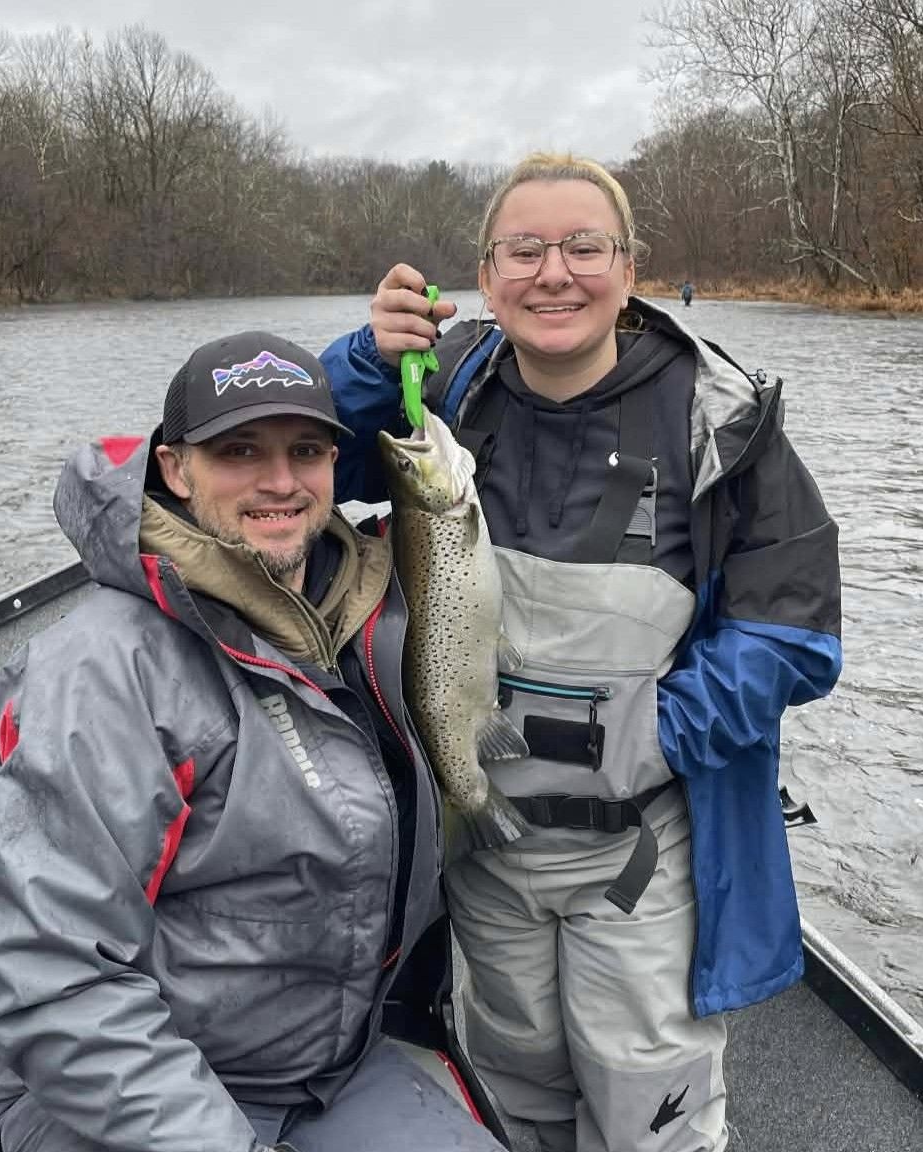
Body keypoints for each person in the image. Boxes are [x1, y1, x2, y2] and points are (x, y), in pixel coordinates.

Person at [320, 153, 843, 1152]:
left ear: (629, 264)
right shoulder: (443, 392)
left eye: (581, 247)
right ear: (485, 272)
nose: (552, 272)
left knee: (648, 1113)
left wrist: (661, 734)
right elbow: (287, 466)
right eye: (523, 249)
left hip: (643, 853)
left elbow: (796, 632)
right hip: (488, 856)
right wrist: (363, 359)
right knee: (513, 1088)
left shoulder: (721, 417)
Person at [0, 331, 507, 1152]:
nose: (281, 482)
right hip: (118, 1101)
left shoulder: (376, 614)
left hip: (327, 1077)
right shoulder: (97, 674)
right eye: (238, 451)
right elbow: (55, 984)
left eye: (306, 449)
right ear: (176, 470)